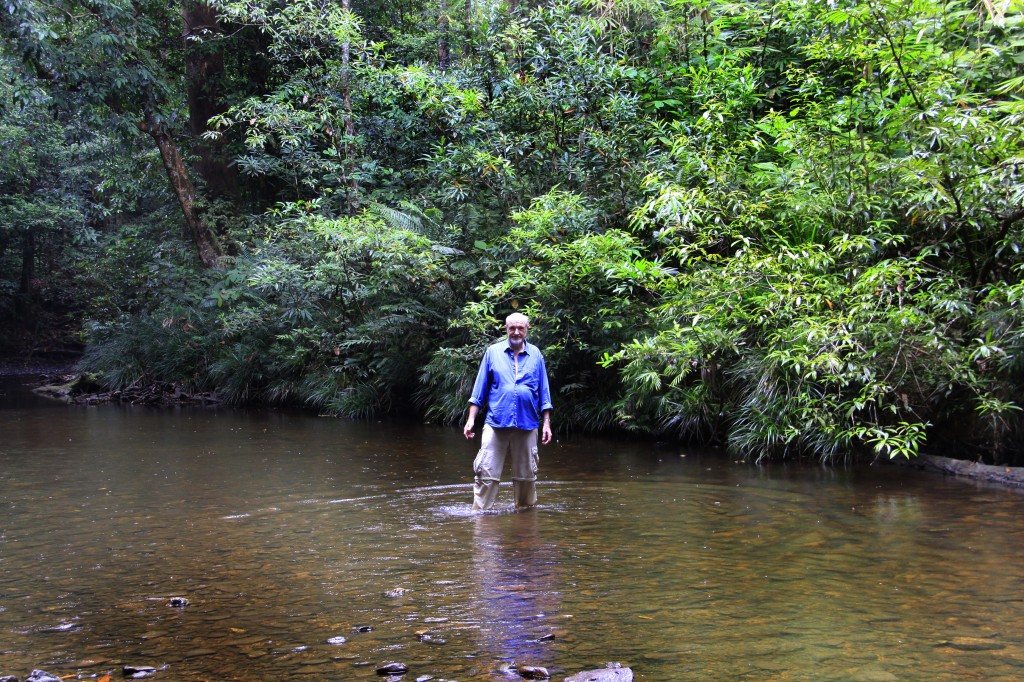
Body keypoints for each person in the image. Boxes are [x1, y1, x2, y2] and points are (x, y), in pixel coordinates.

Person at [463, 312, 553, 510]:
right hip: (496, 422)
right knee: (485, 474)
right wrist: (471, 420)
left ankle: (526, 526)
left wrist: (546, 422)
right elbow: (479, 391)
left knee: (526, 478)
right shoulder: (492, 352)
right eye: (512, 328)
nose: (516, 332)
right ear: (506, 329)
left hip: (528, 423)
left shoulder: (536, 355)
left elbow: (544, 392)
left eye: (520, 328)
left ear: (527, 330)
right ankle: (481, 519)